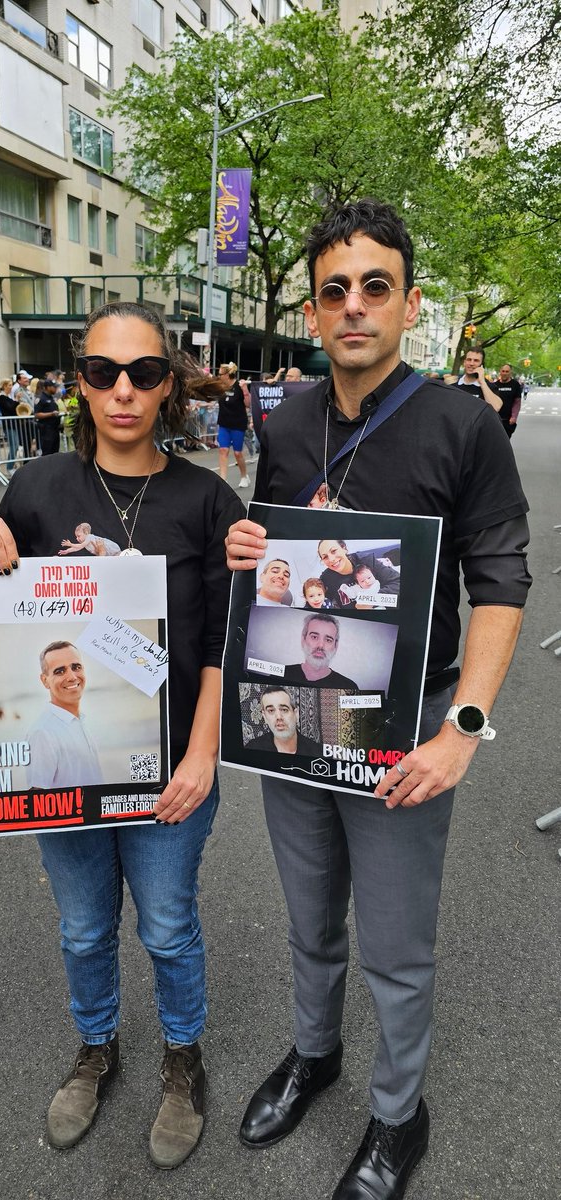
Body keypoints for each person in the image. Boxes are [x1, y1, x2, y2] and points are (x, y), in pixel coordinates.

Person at [225, 199, 530, 1200]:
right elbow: (275, 547)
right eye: (333, 291)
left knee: (395, 947)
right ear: (313, 315)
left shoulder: (461, 423)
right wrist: (249, 550)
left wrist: (463, 732)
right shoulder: (289, 418)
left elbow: (500, 582)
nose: (352, 306)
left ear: (407, 304)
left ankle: (399, 1114)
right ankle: (315, 1057)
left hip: (407, 729)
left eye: (374, 287)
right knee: (309, 918)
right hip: (295, 713)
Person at [0, 300, 245, 1170]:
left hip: (170, 773)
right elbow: (5, 612)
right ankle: (98, 1047)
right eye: (101, 372)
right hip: (66, 776)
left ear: (173, 384)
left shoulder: (207, 499)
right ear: (78, 381)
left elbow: (217, 650)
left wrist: (202, 756)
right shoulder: (39, 488)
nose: (122, 390)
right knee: (84, 929)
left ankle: (182, 1060)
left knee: (165, 925)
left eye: (145, 373)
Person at [27, 642, 103, 789]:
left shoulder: (80, 720)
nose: (72, 677)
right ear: (45, 681)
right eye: (60, 671)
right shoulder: (43, 733)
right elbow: (36, 800)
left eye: (76, 667)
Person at [318, 539, 400, 609]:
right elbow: (316, 599)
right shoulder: (326, 579)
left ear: (344, 548)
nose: (331, 559)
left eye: (333, 551)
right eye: (325, 557)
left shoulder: (367, 560)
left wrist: (372, 600)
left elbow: (398, 582)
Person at [283, 614, 358, 689]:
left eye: (328, 640)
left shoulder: (349, 687)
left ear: (336, 646)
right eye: (314, 637)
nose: (321, 645)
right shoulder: (282, 673)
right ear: (303, 640)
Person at [246, 688, 322, 756]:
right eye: (271, 710)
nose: (278, 717)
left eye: (284, 710)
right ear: (265, 717)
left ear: (296, 714)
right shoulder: (252, 748)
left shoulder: (317, 752)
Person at [217, 362, 250, 489]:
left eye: (221, 374)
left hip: (237, 424)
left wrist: (245, 390)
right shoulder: (220, 386)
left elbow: (247, 404)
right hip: (224, 424)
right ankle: (223, 479)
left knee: (237, 453)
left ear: (228, 374)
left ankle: (244, 476)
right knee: (223, 450)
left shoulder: (239, 386)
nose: (219, 376)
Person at [455, 347, 502, 412]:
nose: (471, 363)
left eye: (476, 360)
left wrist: (482, 382)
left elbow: (496, 408)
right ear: (464, 362)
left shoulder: (489, 387)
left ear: (482, 365)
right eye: (469, 359)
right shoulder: (453, 386)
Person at [492, 363, 523, 439]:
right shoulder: (494, 385)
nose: (504, 373)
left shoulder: (515, 385)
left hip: (508, 421)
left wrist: (514, 416)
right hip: (495, 420)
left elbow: (517, 402)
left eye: (507, 371)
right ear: (500, 372)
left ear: (510, 372)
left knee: (504, 442)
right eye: (503, 371)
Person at [34, 378, 62, 455]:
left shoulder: (51, 397)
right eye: (54, 387)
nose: (56, 389)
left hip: (55, 429)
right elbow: (37, 415)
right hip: (46, 430)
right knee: (47, 452)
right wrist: (51, 414)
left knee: (55, 452)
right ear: (48, 387)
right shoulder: (41, 398)